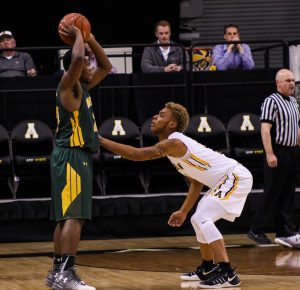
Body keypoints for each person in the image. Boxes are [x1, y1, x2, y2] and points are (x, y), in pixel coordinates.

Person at [99, 102, 253, 288]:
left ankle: (227, 273)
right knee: (197, 219)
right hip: (223, 180)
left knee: (203, 217)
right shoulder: (172, 148)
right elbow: (196, 181)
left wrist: (100, 140)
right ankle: (208, 268)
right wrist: (183, 211)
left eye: (161, 115)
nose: (155, 117)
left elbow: (138, 155)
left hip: (235, 176)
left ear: (172, 124)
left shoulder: (175, 142)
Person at [45, 20, 112, 290]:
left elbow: (107, 66)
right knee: (74, 216)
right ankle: (65, 274)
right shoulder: (68, 86)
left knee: (68, 217)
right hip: (71, 156)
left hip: (72, 156)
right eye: (87, 63)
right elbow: (75, 57)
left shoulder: (83, 87)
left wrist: (91, 38)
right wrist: (76, 35)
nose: (90, 66)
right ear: (75, 67)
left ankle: (56, 271)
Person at [248, 68, 300, 248]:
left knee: (288, 193)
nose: (291, 83)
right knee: (272, 192)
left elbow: (296, 128)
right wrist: (269, 153)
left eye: (292, 80)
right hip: (278, 150)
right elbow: (265, 129)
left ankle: (285, 231)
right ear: (278, 83)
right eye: (287, 80)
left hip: (293, 152)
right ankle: (256, 229)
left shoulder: (293, 101)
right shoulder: (271, 101)